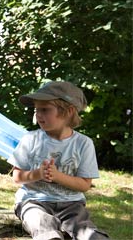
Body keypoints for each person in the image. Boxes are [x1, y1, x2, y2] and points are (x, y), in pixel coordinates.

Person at [7, 81, 109, 240]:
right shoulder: (30, 139)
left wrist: (57, 176)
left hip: (71, 206)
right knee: (40, 224)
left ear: (68, 111)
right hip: (33, 201)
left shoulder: (83, 143)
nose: (38, 115)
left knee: (89, 234)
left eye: (45, 110)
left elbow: (84, 184)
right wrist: (38, 174)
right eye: (36, 110)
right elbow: (17, 177)